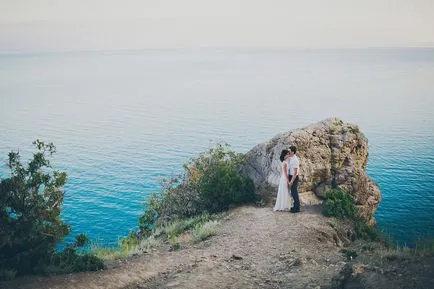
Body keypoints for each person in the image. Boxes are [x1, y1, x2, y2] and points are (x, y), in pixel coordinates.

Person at [287, 145, 300, 213]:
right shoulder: (291, 157)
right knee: (292, 192)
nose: (288, 152)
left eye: (290, 151)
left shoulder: (295, 160)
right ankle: (295, 206)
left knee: (294, 193)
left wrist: (291, 181)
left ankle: (297, 208)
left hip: (294, 177)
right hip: (290, 176)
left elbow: (295, 172)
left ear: (293, 152)